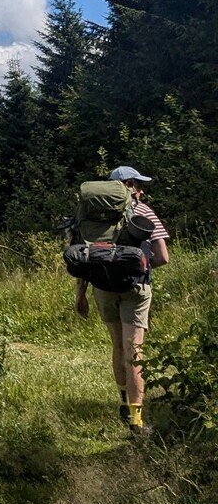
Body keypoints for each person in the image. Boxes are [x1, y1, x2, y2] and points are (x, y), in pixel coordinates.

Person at [73, 165, 169, 433]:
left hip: (102, 287)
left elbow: (83, 257)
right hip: (135, 289)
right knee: (134, 351)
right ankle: (137, 421)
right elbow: (163, 257)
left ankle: (123, 403)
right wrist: (140, 265)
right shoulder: (143, 210)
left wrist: (80, 294)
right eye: (138, 183)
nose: (141, 188)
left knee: (117, 346)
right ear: (129, 184)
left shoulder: (93, 215)